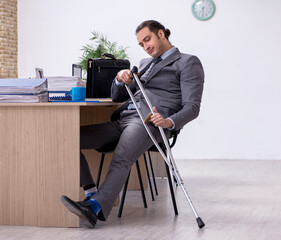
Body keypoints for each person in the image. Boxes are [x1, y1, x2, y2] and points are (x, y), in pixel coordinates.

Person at [60, 20, 205, 228]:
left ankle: (93, 209)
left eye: (148, 39)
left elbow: (193, 107)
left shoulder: (187, 62)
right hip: (124, 118)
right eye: (141, 44)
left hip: (150, 122)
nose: (145, 46)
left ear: (161, 34)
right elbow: (117, 96)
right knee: (69, 139)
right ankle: (92, 193)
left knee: (121, 157)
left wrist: (168, 122)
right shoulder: (145, 63)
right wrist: (121, 79)